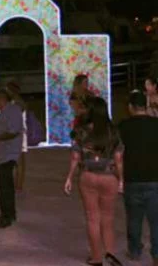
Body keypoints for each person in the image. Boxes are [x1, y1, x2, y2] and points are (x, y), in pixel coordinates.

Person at [64, 97, 124, 266]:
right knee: (108, 218)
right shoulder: (113, 131)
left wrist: (69, 177)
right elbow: (118, 158)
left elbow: (75, 156)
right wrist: (121, 179)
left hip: (88, 175)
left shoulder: (81, 131)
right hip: (109, 176)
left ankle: (96, 258)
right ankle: (110, 254)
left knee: (92, 218)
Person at [118, 90, 158, 263]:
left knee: (134, 218)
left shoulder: (123, 126)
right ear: (146, 105)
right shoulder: (156, 124)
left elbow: (119, 152)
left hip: (132, 178)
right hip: (155, 177)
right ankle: (157, 253)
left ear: (131, 107)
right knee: (156, 220)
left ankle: (134, 250)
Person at [0, 87, 23, 228]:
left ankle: (7, 216)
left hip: (8, 153)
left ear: (2, 99)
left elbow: (14, 131)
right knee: (4, 185)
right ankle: (8, 213)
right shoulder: (5, 112)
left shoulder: (13, 110)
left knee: (5, 187)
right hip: (1, 153)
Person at [7, 81, 28, 193]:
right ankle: (17, 185)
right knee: (18, 161)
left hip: (17, 134)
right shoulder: (17, 102)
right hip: (17, 133)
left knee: (18, 161)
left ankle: (18, 185)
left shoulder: (17, 103)